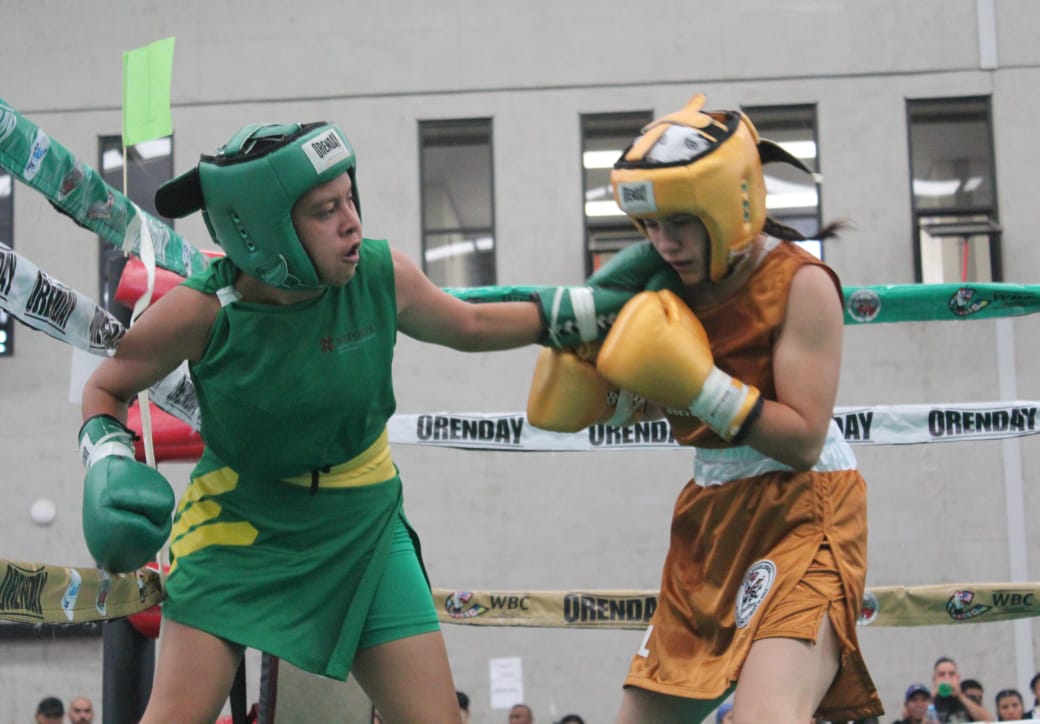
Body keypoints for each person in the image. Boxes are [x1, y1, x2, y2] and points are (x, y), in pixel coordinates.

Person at [77, 122, 650, 724]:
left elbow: (470, 323)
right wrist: (107, 460)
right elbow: (106, 386)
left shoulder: (379, 274)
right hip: (239, 527)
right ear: (263, 228)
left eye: (350, 199)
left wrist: (594, 311)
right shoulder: (202, 311)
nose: (351, 222)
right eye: (326, 210)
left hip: (363, 522)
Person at [528, 93, 882, 723]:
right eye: (649, 226)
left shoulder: (800, 284)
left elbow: (803, 439)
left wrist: (700, 386)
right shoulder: (662, 284)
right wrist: (606, 397)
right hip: (710, 516)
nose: (664, 243)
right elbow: (655, 390)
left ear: (725, 203)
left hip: (804, 508)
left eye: (680, 223)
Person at [931, 656, 993, 723]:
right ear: (934, 679)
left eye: (951, 674)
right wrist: (932, 697)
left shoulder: (969, 699)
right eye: (942, 674)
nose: (947, 678)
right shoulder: (929, 700)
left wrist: (960, 696)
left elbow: (988, 720)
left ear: (958, 677)